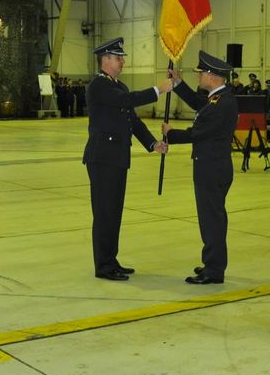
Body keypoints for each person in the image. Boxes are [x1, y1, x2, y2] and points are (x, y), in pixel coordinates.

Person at [82, 37, 170, 281]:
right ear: (106, 60)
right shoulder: (99, 86)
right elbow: (125, 102)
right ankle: (103, 266)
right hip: (102, 158)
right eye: (118, 58)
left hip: (117, 158)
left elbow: (133, 121)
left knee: (115, 211)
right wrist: (158, 90)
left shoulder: (119, 86)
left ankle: (111, 260)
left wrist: (153, 144)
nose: (122, 62)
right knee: (104, 212)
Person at [162, 51, 240, 285]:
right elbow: (200, 105)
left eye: (202, 73)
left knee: (212, 220)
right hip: (211, 167)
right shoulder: (218, 98)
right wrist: (178, 84)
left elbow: (200, 132)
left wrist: (171, 135)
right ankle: (211, 262)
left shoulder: (223, 102)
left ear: (213, 76)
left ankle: (214, 270)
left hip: (212, 170)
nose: (199, 76)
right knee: (210, 219)